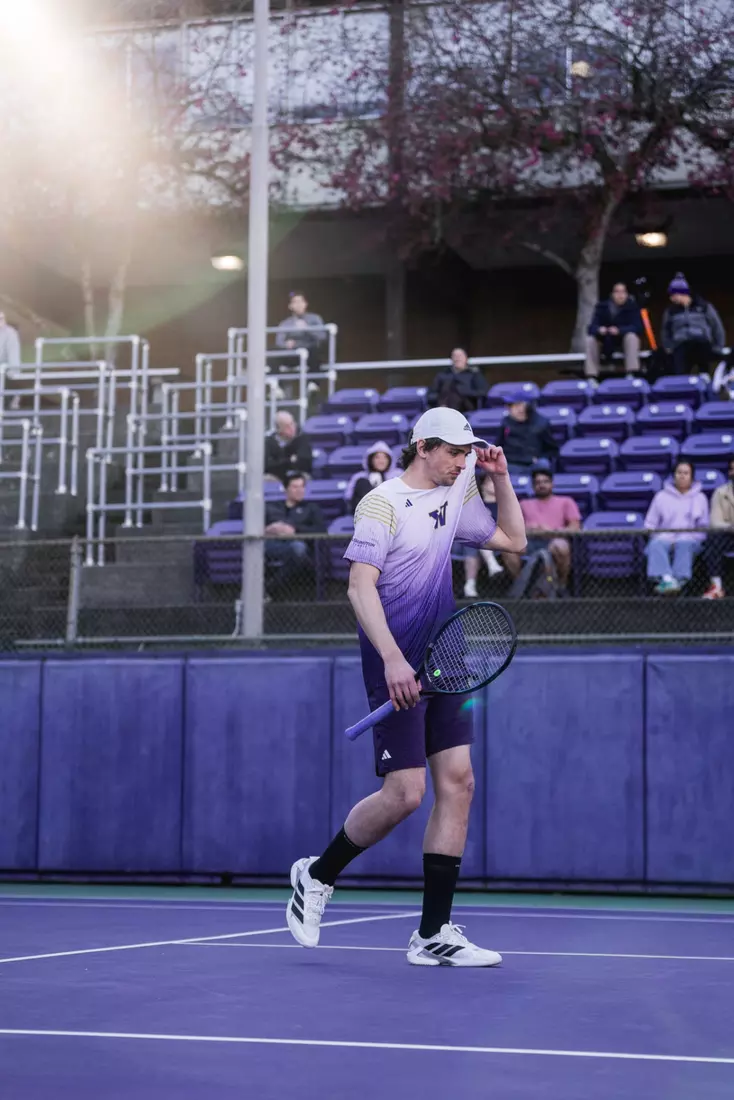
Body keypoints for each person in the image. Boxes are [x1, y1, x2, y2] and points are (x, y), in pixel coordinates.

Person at [286, 406, 526, 967]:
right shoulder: (382, 504)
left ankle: (433, 933)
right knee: (405, 794)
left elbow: (514, 539)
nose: (462, 461)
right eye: (453, 452)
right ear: (422, 446)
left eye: (468, 452)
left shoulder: (460, 488)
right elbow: (359, 587)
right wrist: (393, 660)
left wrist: (501, 477)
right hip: (394, 660)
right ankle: (317, 875)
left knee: (459, 782)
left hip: (448, 656)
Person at [502, 467, 581, 593]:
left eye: (545, 482)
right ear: (533, 486)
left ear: (552, 484)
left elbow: (575, 527)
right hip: (529, 542)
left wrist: (552, 531)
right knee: (507, 549)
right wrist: (529, 530)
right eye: (537, 483)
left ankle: (561, 585)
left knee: (561, 546)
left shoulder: (566, 501)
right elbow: (513, 528)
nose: (542, 485)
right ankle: (521, 587)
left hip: (553, 540)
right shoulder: (524, 504)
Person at [644, 459, 709, 595]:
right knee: (656, 544)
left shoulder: (700, 498)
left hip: (690, 538)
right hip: (665, 536)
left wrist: (690, 537)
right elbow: (650, 524)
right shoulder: (661, 497)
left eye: (686, 473)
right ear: (673, 475)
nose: (682, 476)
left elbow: (703, 528)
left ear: (692, 476)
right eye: (679, 472)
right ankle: (667, 579)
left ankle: (679, 581)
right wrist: (660, 536)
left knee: (684, 543)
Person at [264, 471, 325, 591]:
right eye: (295, 487)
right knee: (255, 549)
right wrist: (269, 529)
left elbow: (321, 530)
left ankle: (269, 588)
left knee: (298, 548)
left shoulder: (311, 508)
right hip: (273, 545)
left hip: (302, 546)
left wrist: (295, 530)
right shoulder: (272, 507)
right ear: (286, 489)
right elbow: (259, 528)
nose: (300, 490)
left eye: (302, 487)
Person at [662, 274, 726, 376]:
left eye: (673, 295)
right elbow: (665, 330)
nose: (671, 298)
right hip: (680, 343)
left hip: (701, 341)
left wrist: (718, 346)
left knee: (703, 357)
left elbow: (717, 326)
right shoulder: (670, 311)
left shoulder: (704, 306)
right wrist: (668, 347)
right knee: (679, 364)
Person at [457, 474, 504, 598]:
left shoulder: (504, 506)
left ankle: (470, 584)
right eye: (491, 482)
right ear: (483, 485)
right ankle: (491, 564)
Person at [585, 282, 643, 379]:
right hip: (605, 341)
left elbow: (638, 327)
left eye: (623, 292)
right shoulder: (601, 307)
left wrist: (619, 330)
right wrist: (600, 330)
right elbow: (591, 328)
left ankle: (631, 373)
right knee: (590, 340)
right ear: (612, 294)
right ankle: (591, 376)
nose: (620, 295)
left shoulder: (632, 307)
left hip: (623, 341)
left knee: (632, 337)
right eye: (617, 292)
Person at [494, 390, 558, 475]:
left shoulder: (542, 423)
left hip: (533, 464)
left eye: (512, 405)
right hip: (511, 463)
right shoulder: (506, 422)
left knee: (543, 464)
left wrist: (540, 458)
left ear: (523, 407)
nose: (508, 409)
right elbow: (498, 445)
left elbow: (552, 449)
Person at [702, 456, 734, 599]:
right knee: (712, 539)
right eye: (732, 469)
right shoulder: (720, 493)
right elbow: (715, 522)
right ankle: (716, 587)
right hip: (728, 535)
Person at [275, 291, 327, 371]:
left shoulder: (315, 318)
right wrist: (286, 344)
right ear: (290, 306)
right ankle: (277, 381)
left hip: (310, 351)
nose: (299, 305)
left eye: (301, 301)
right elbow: (279, 341)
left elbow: (322, 337)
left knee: (316, 352)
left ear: (305, 304)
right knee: (272, 352)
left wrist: (307, 329)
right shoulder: (285, 323)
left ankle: (313, 383)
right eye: (295, 302)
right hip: (293, 353)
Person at [428, 348, 488, 413]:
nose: (457, 358)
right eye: (455, 356)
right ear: (451, 359)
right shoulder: (443, 375)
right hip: (443, 406)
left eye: (460, 356)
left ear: (466, 358)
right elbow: (432, 393)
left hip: (466, 407)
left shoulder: (474, 374)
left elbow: (482, 392)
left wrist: (464, 391)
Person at [345, 440, 396, 513]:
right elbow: (349, 497)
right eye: (377, 457)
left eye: (385, 457)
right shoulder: (359, 477)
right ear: (370, 459)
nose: (381, 461)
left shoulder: (398, 475)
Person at [264, 412, 313, 483]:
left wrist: (282, 462)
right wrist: (290, 461)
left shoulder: (302, 439)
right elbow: (268, 466)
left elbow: (304, 462)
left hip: (297, 475)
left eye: (292, 424)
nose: (292, 428)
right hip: (276, 477)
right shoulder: (269, 442)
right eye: (287, 426)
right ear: (279, 429)